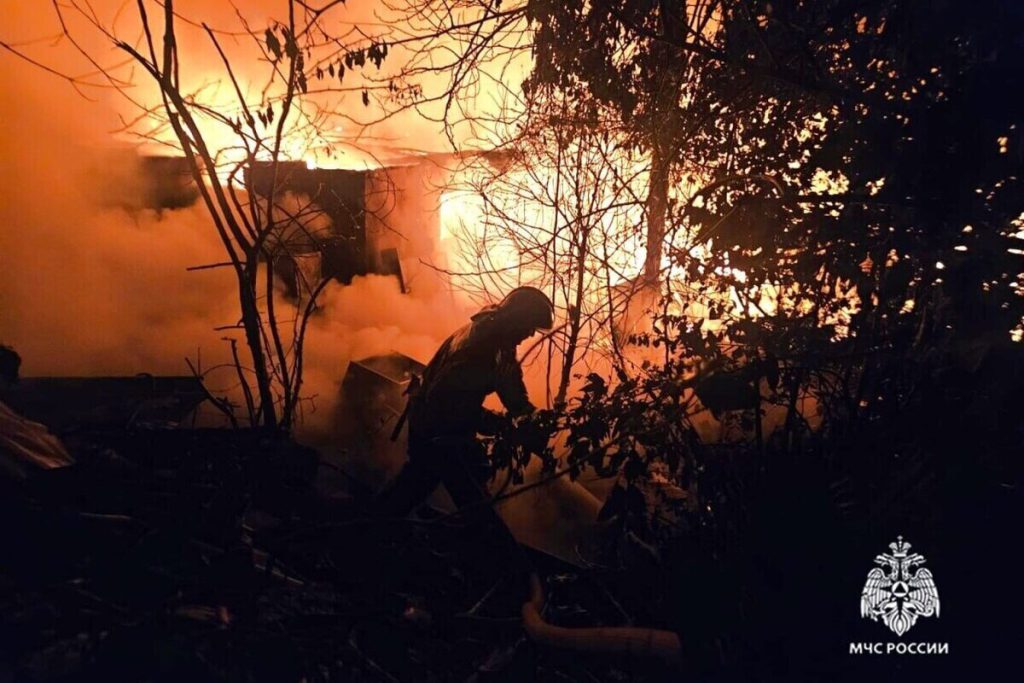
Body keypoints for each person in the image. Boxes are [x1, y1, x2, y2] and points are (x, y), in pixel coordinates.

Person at [374, 286, 554, 517]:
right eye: (529, 327)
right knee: (469, 502)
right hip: (437, 431)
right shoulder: (481, 349)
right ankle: (373, 529)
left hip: (437, 424)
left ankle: (378, 522)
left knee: (418, 484)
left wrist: (529, 416)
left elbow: (512, 389)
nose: (530, 335)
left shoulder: (496, 336)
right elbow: (452, 408)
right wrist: (503, 426)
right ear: (516, 319)